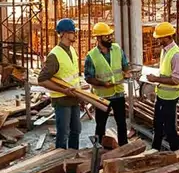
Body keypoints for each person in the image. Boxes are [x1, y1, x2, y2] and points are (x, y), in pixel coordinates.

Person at [84, 22, 131, 146]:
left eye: (110, 35)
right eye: (107, 36)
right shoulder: (91, 56)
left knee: (121, 123)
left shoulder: (117, 49)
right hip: (102, 96)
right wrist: (102, 83)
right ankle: (98, 149)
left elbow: (125, 65)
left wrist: (127, 72)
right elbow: (88, 78)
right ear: (98, 38)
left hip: (118, 93)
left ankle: (124, 148)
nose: (110, 38)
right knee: (100, 124)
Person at [38, 18, 82, 149]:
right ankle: (59, 162)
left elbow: (73, 76)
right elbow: (42, 79)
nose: (75, 34)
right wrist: (64, 91)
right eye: (72, 32)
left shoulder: (72, 50)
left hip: (74, 98)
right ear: (64, 34)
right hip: (62, 100)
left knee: (76, 130)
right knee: (63, 134)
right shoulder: (55, 55)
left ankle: (74, 159)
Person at [145, 21, 179, 151]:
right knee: (157, 124)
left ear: (167, 37)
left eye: (159, 37)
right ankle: (155, 149)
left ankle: (176, 152)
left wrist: (156, 79)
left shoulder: (176, 55)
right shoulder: (165, 50)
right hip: (162, 95)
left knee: (169, 128)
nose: (157, 39)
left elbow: (176, 80)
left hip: (170, 97)